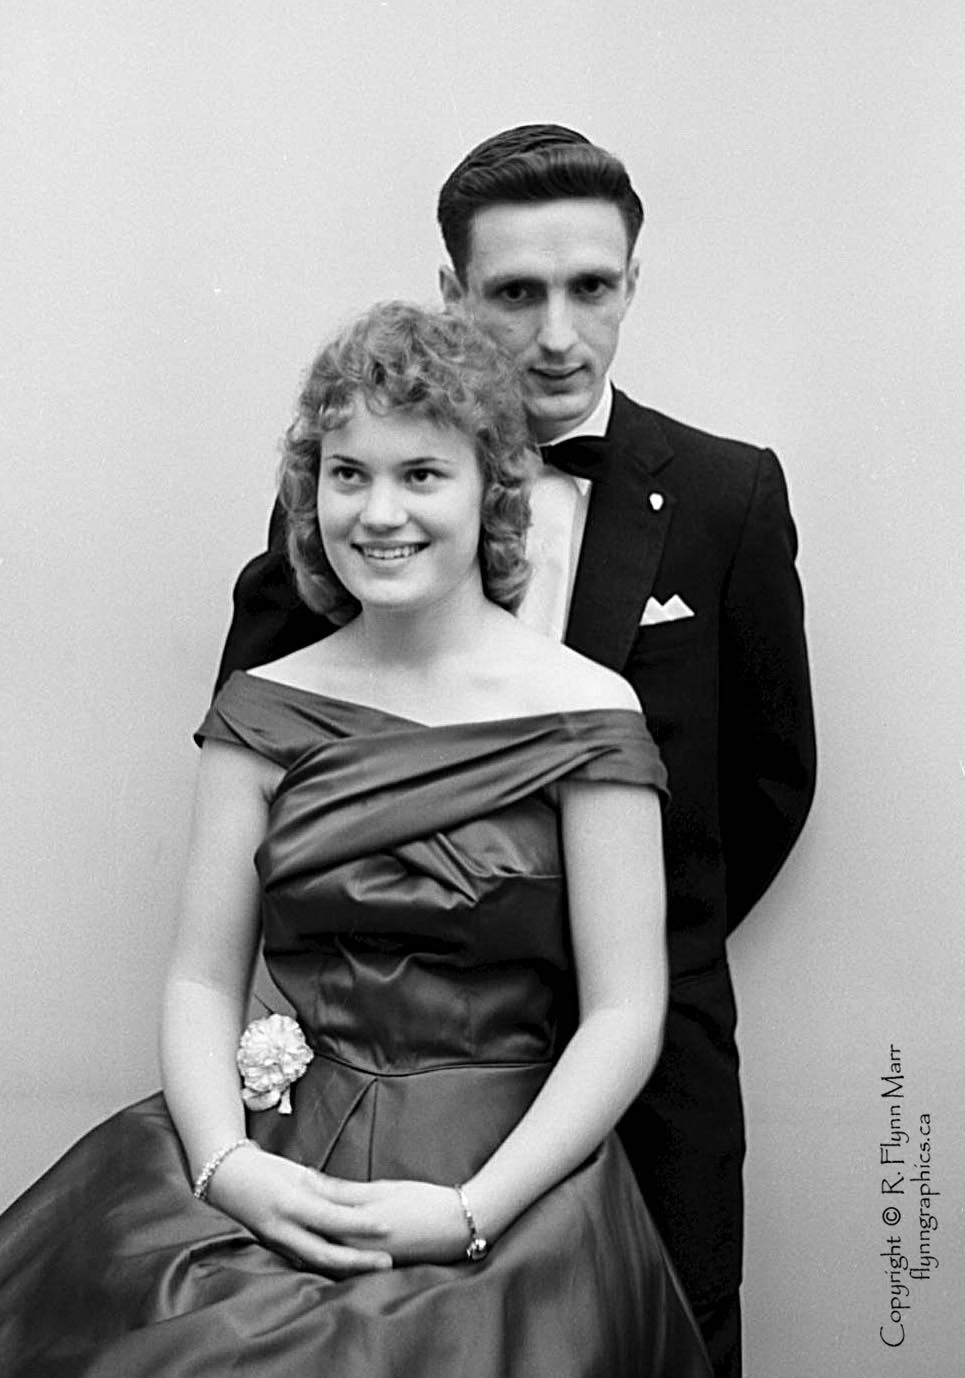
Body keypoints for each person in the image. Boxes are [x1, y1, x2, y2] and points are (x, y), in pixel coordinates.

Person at [0, 302, 711, 1377]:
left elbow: (624, 1011)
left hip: (504, 1178)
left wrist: (469, 1212)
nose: (379, 513)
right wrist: (227, 1167)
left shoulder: (588, 713)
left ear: (492, 489)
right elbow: (201, 979)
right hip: (281, 1155)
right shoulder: (260, 709)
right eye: (347, 474)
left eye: (420, 474)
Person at [215, 126, 818, 1378]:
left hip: (648, 1091)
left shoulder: (728, 497)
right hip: (377, 1096)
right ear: (452, 292)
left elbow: (767, 785)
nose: (554, 334)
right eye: (513, 292)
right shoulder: (354, 500)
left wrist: (588, 943)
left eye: (589, 287)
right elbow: (270, 744)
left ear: (631, 282)